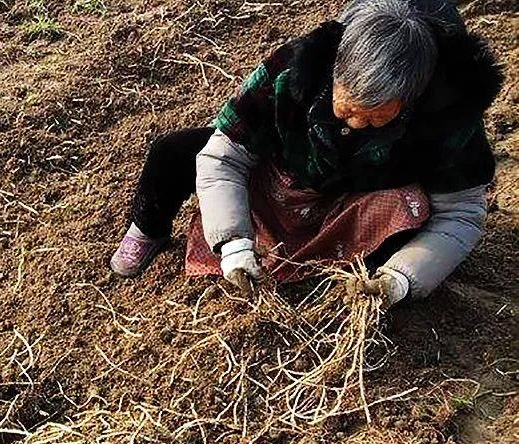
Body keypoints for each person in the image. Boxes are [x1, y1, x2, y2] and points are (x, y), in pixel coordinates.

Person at [111, 0, 503, 308]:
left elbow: (460, 214)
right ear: (335, 72)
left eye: (378, 117)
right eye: (347, 109)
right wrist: (232, 244)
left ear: (412, 98)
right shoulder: (294, 69)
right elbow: (223, 157)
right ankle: (147, 230)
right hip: (284, 174)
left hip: (354, 202)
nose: (358, 124)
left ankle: (341, 267)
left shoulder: (450, 117)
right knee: (174, 152)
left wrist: (401, 279)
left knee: (414, 209)